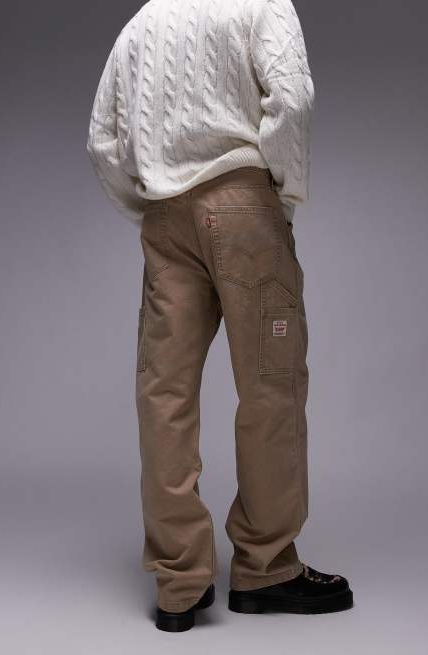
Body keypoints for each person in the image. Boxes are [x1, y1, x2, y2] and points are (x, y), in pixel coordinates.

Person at [86, 0, 353, 632]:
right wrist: (279, 194)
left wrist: (150, 203)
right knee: (270, 387)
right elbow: (293, 100)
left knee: (164, 394)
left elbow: (101, 140)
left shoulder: (142, 21)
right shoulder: (262, 5)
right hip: (243, 208)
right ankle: (266, 567)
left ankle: (179, 582)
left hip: (165, 216)